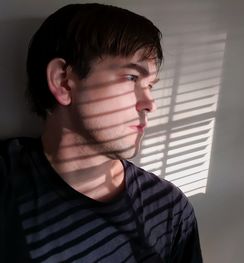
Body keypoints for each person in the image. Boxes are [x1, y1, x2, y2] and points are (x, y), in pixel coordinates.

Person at [0, 3, 202, 262]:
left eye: (150, 84)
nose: (150, 102)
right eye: (131, 78)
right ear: (64, 82)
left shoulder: (169, 210)